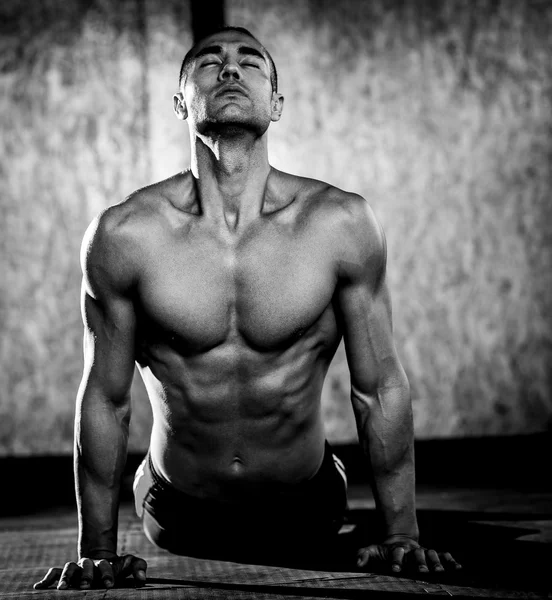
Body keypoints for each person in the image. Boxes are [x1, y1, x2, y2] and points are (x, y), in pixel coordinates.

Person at [34, 26, 461, 591]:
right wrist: (96, 551)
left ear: (277, 104)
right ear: (181, 101)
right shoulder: (125, 234)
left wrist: (402, 534)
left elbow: (378, 385)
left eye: (250, 63)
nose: (230, 69)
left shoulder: (339, 224)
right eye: (210, 62)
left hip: (306, 507)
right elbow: (106, 397)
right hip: (175, 508)